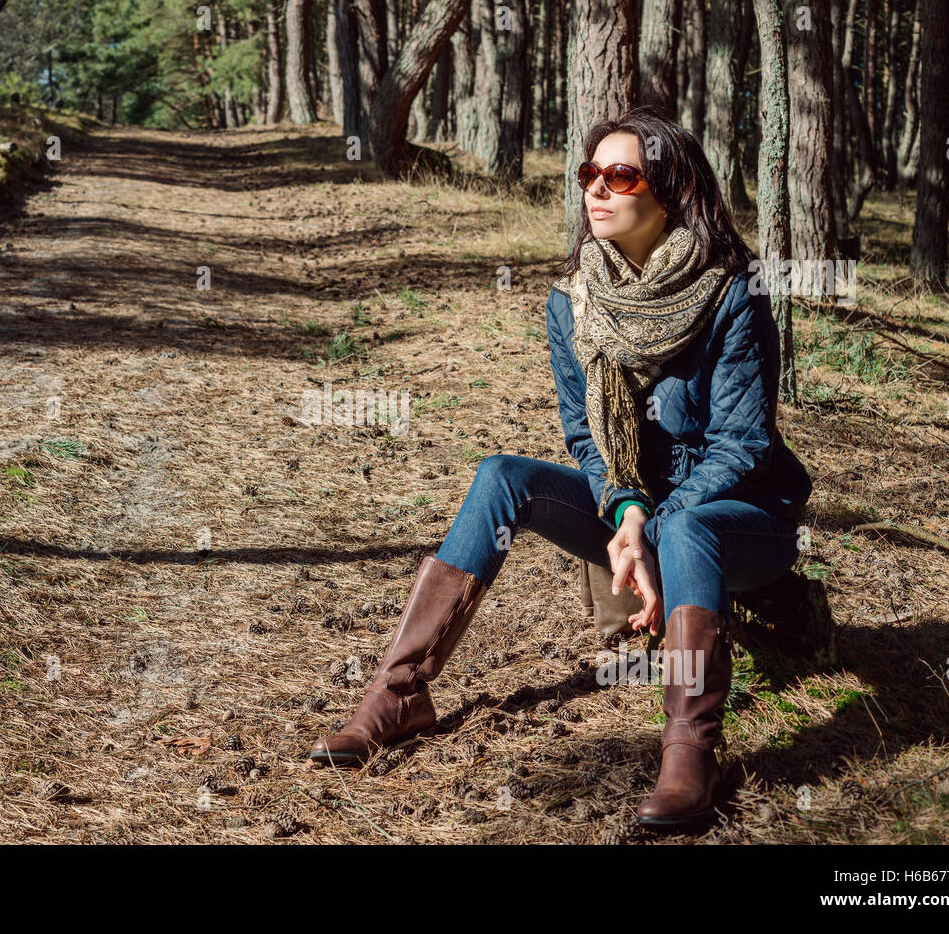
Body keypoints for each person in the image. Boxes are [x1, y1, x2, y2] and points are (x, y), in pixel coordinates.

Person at [308, 106, 813, 832]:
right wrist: (627, 510)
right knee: (500, 475)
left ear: (670, 190)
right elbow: (587, 435)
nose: (596, 190)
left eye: (620, 174)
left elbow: (743, 446)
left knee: (692, 525)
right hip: (642, 513)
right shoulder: (574, 301)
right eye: (589, 174)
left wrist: (659, 524)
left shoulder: (734, 292)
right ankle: (398, 694)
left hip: (742, 518)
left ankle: (690, 753)